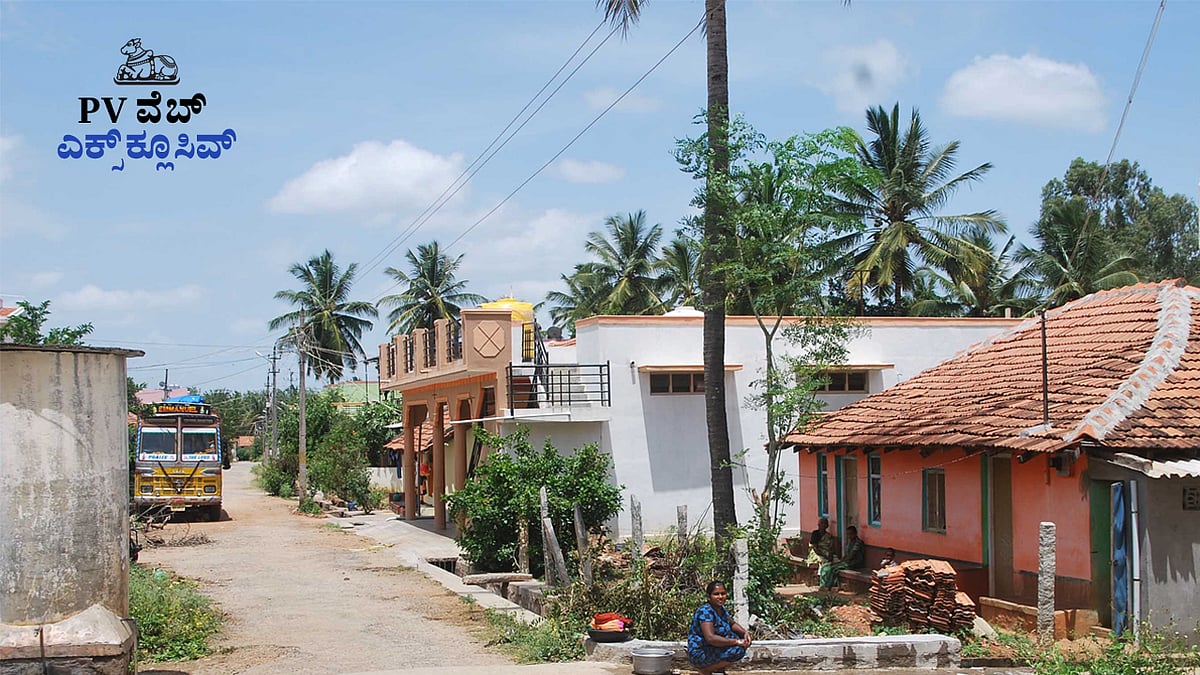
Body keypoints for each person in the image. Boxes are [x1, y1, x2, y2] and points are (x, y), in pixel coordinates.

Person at [687, 581, 751, 675]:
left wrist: (745, 633)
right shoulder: (706, 612)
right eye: (716, 594)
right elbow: (711, 638)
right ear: (709, 596)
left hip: (712, 648)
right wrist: (737, 642)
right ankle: (706, 670)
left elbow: (732, 624)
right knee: (738, 650)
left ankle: (719, 670)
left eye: (723, 593)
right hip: (700, 652)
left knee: (734, 635)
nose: (720, 597)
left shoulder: (721, 609)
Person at [819, 525, 866, 589]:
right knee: (825, 567)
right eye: (848, 534)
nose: (849, 536)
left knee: (834, 569)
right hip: (847, 561)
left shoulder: (858, 543)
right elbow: (846, 555)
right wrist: (840, 561)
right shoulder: (850, 542)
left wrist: (842, 562)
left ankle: (830, 585)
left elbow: (852, 555)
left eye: (851, 534)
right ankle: (824, 584)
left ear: (855, 534)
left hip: (855, 563)